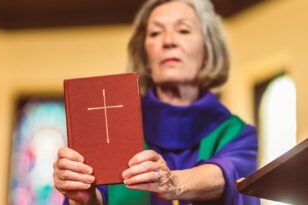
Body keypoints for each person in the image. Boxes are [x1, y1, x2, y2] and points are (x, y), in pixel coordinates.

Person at [53, 0, 260, 204]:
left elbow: (231, 179)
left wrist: (174, 183)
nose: (168, 41)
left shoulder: (237, 135)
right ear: (145, 56)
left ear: (208, 50)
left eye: (184, 30)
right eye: (155, 33)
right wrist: (84, 198)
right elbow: (96, 197)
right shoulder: (112, 124)